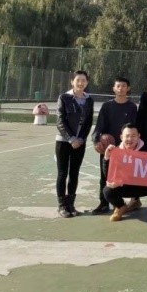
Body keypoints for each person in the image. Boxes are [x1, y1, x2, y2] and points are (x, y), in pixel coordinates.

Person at [102, 124, 147, 222]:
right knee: (107, 190)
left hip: (144, 186)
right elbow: (107, 175)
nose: (130, 139)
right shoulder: (115, 151)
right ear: (121, 137)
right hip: (125, 186)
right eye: (127, 136)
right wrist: (106, 158)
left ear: (139, 136)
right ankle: (120, 207)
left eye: (133, 136)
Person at [90, 77, 137, 215]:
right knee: (105, 176)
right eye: (118, 86)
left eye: (124, 86)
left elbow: (134, 127)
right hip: (109, 149)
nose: (121, 88)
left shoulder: (132, 107)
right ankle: (103, 203)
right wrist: (96, 140)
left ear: (128, 88)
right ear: (114, 89)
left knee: (129, 176)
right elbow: (99, 126)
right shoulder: (107, 106)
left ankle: (134, 200)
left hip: (126, 148)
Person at [55, 70, 94, 218]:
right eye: (78, 80)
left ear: (87, 82)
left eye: (83, 80)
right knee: (62, 173)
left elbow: (88, 122)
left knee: (74, 173)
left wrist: (81, 139)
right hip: (64, 141)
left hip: (80, 142)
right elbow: (60, 121)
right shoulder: (64, 98)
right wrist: (71, 139)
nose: (81, 83)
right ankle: (62, 206)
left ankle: (71, 205)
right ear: (72, 81)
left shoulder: (89, 100)